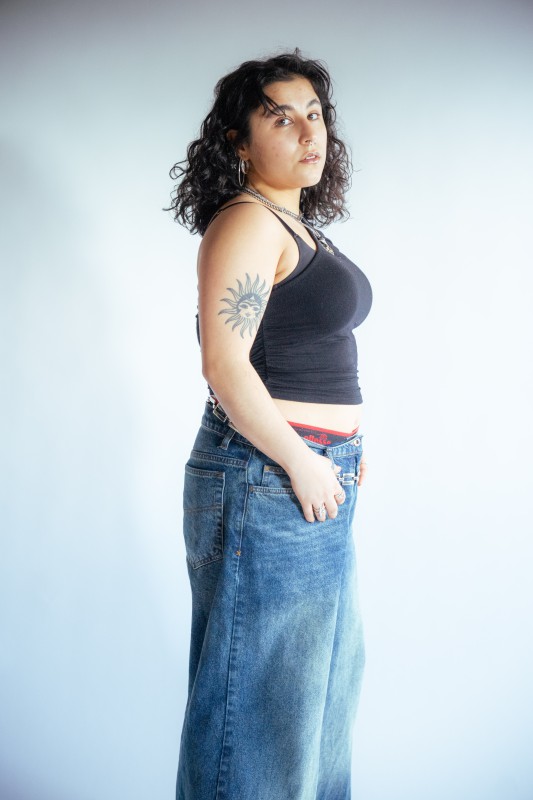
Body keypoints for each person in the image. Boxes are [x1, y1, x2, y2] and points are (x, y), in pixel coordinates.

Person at [168, 49, 372, 800]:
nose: (308, 132)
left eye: (314, 114)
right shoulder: (249, 221)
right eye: (281, 119)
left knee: (315, 706)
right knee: (257, 717)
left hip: (304, 473)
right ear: (239, 141)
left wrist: (341, 451)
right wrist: (301, 459)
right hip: (269, 475)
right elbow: (224, 364)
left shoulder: (293, 223)